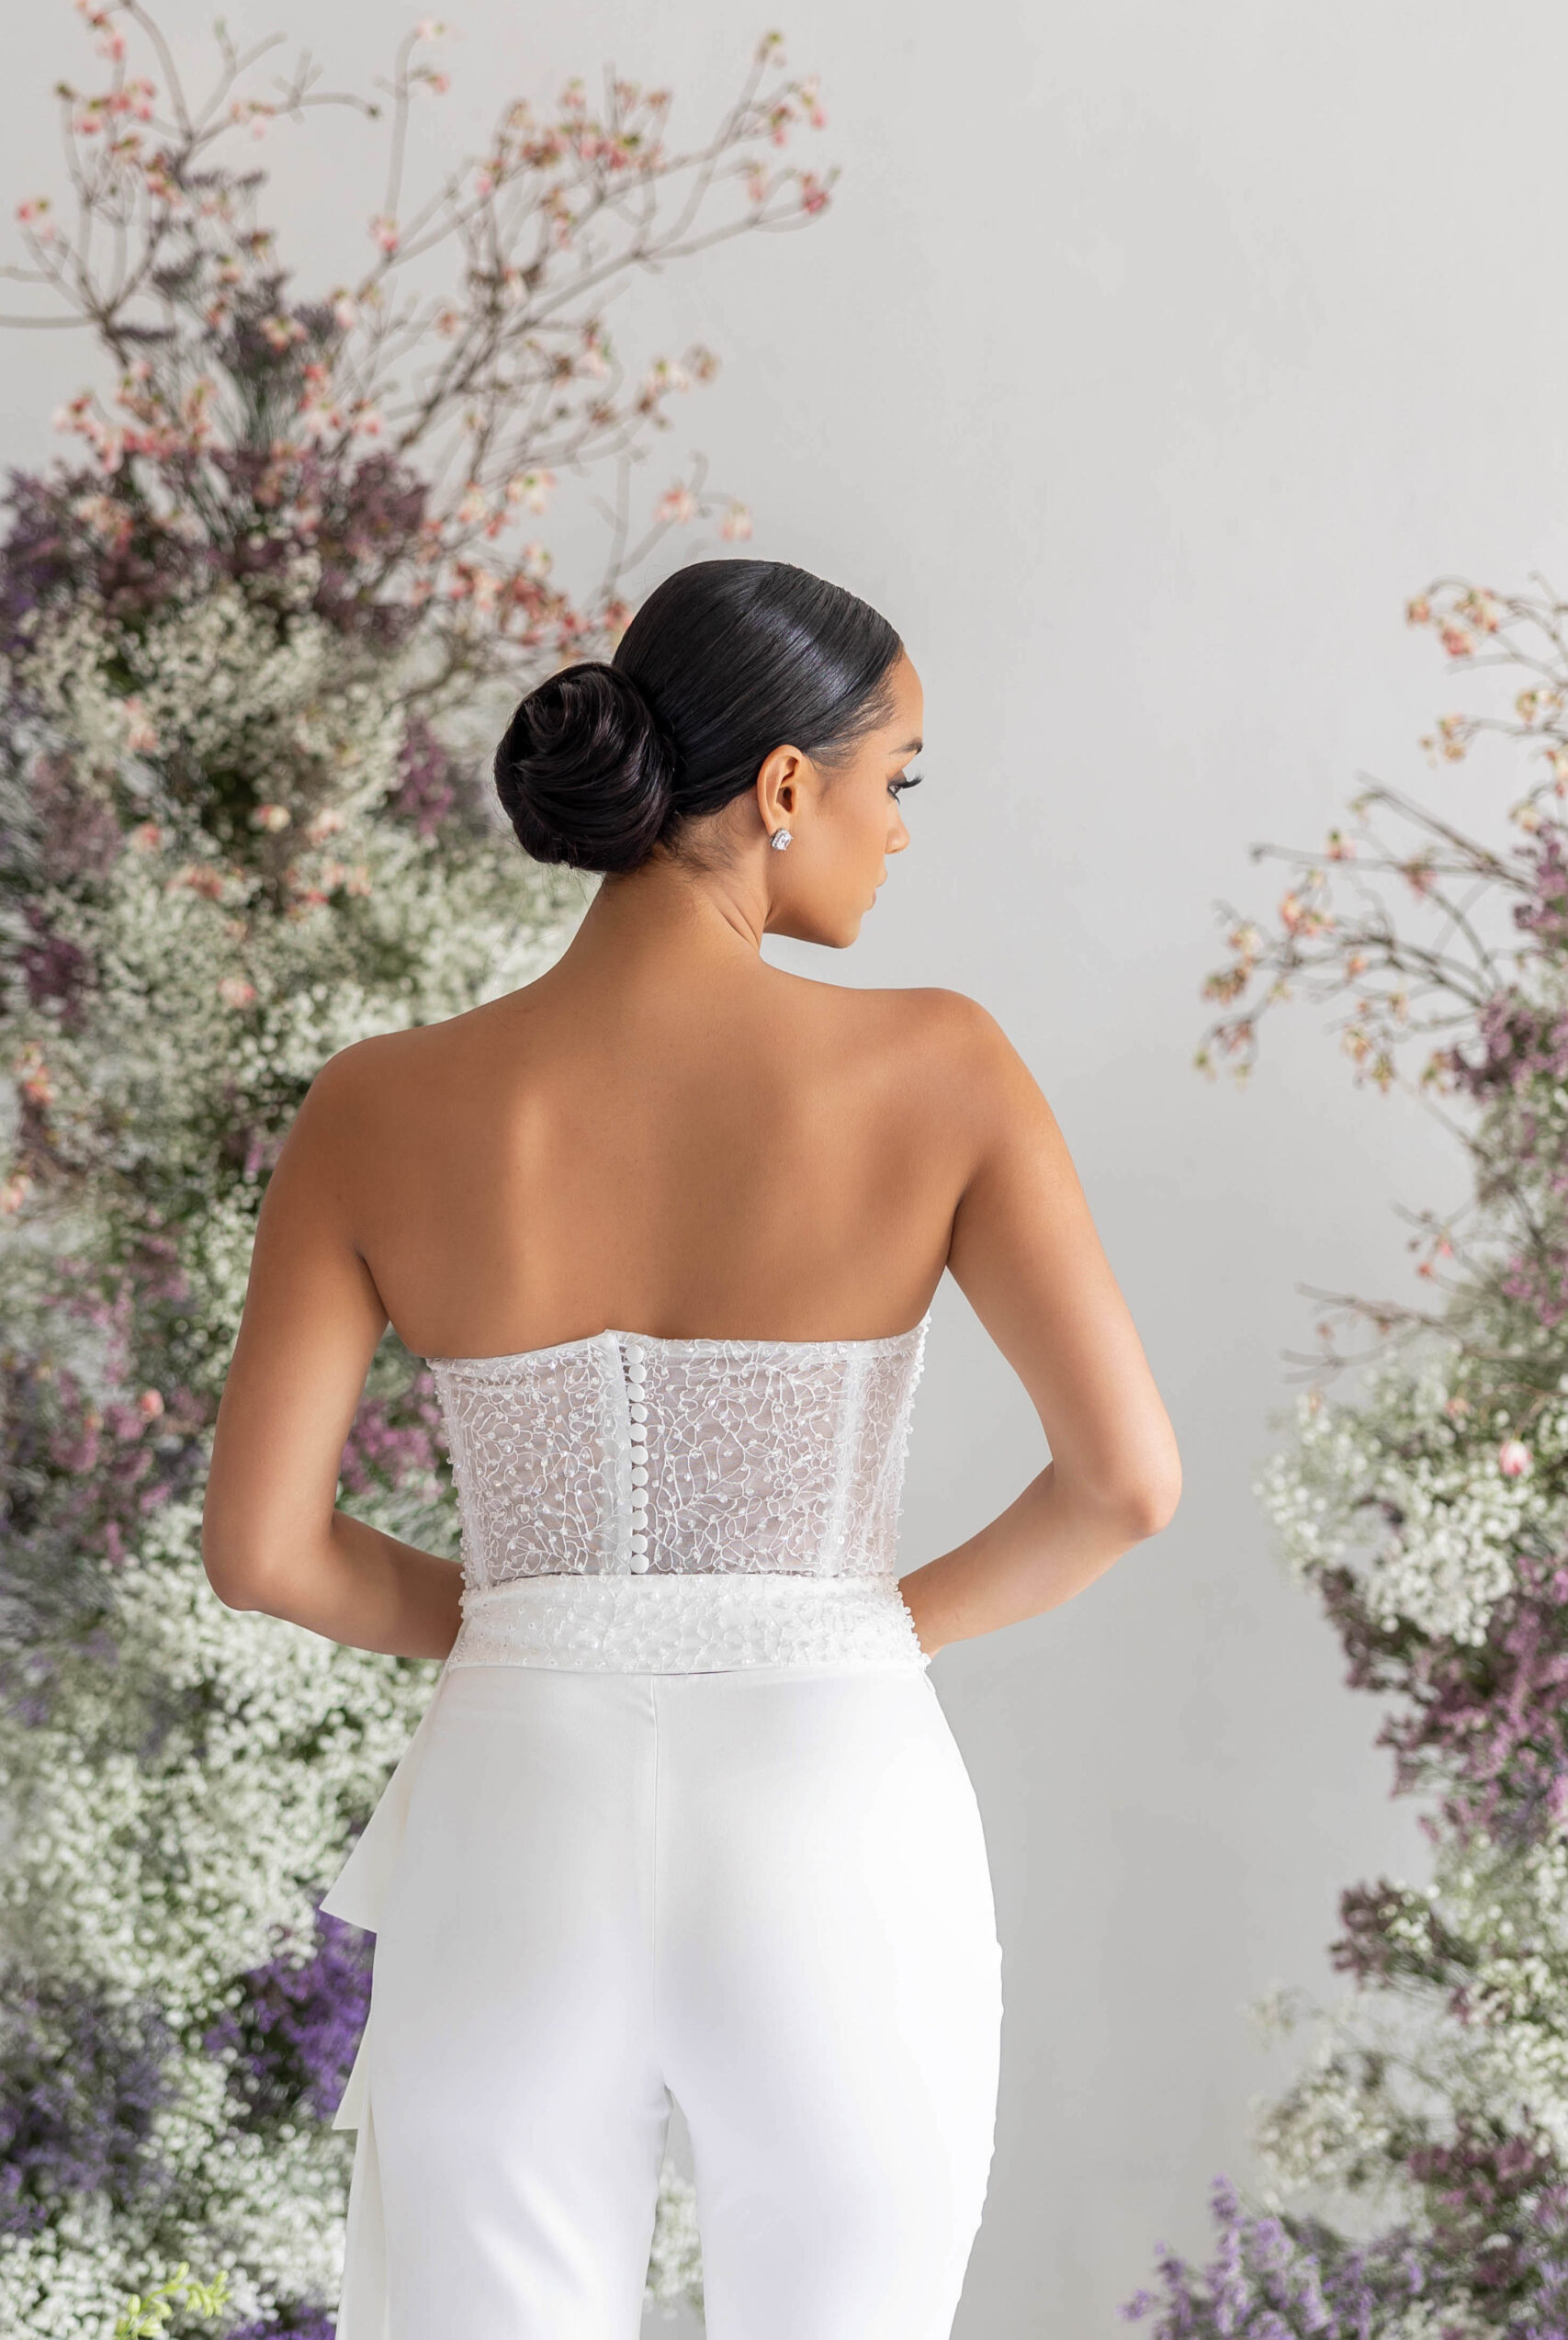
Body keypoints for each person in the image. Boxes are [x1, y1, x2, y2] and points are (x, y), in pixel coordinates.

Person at [200, 557, 1182, 2340]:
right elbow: (1122, 1482)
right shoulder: (941, 1067)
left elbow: (266, 1550)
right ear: (786, 785)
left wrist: (544, 1627)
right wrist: (851, 1626)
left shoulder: (378, 1102)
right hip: (831, 1799)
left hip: (516, 1809)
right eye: (896, 779)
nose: (899, 830)